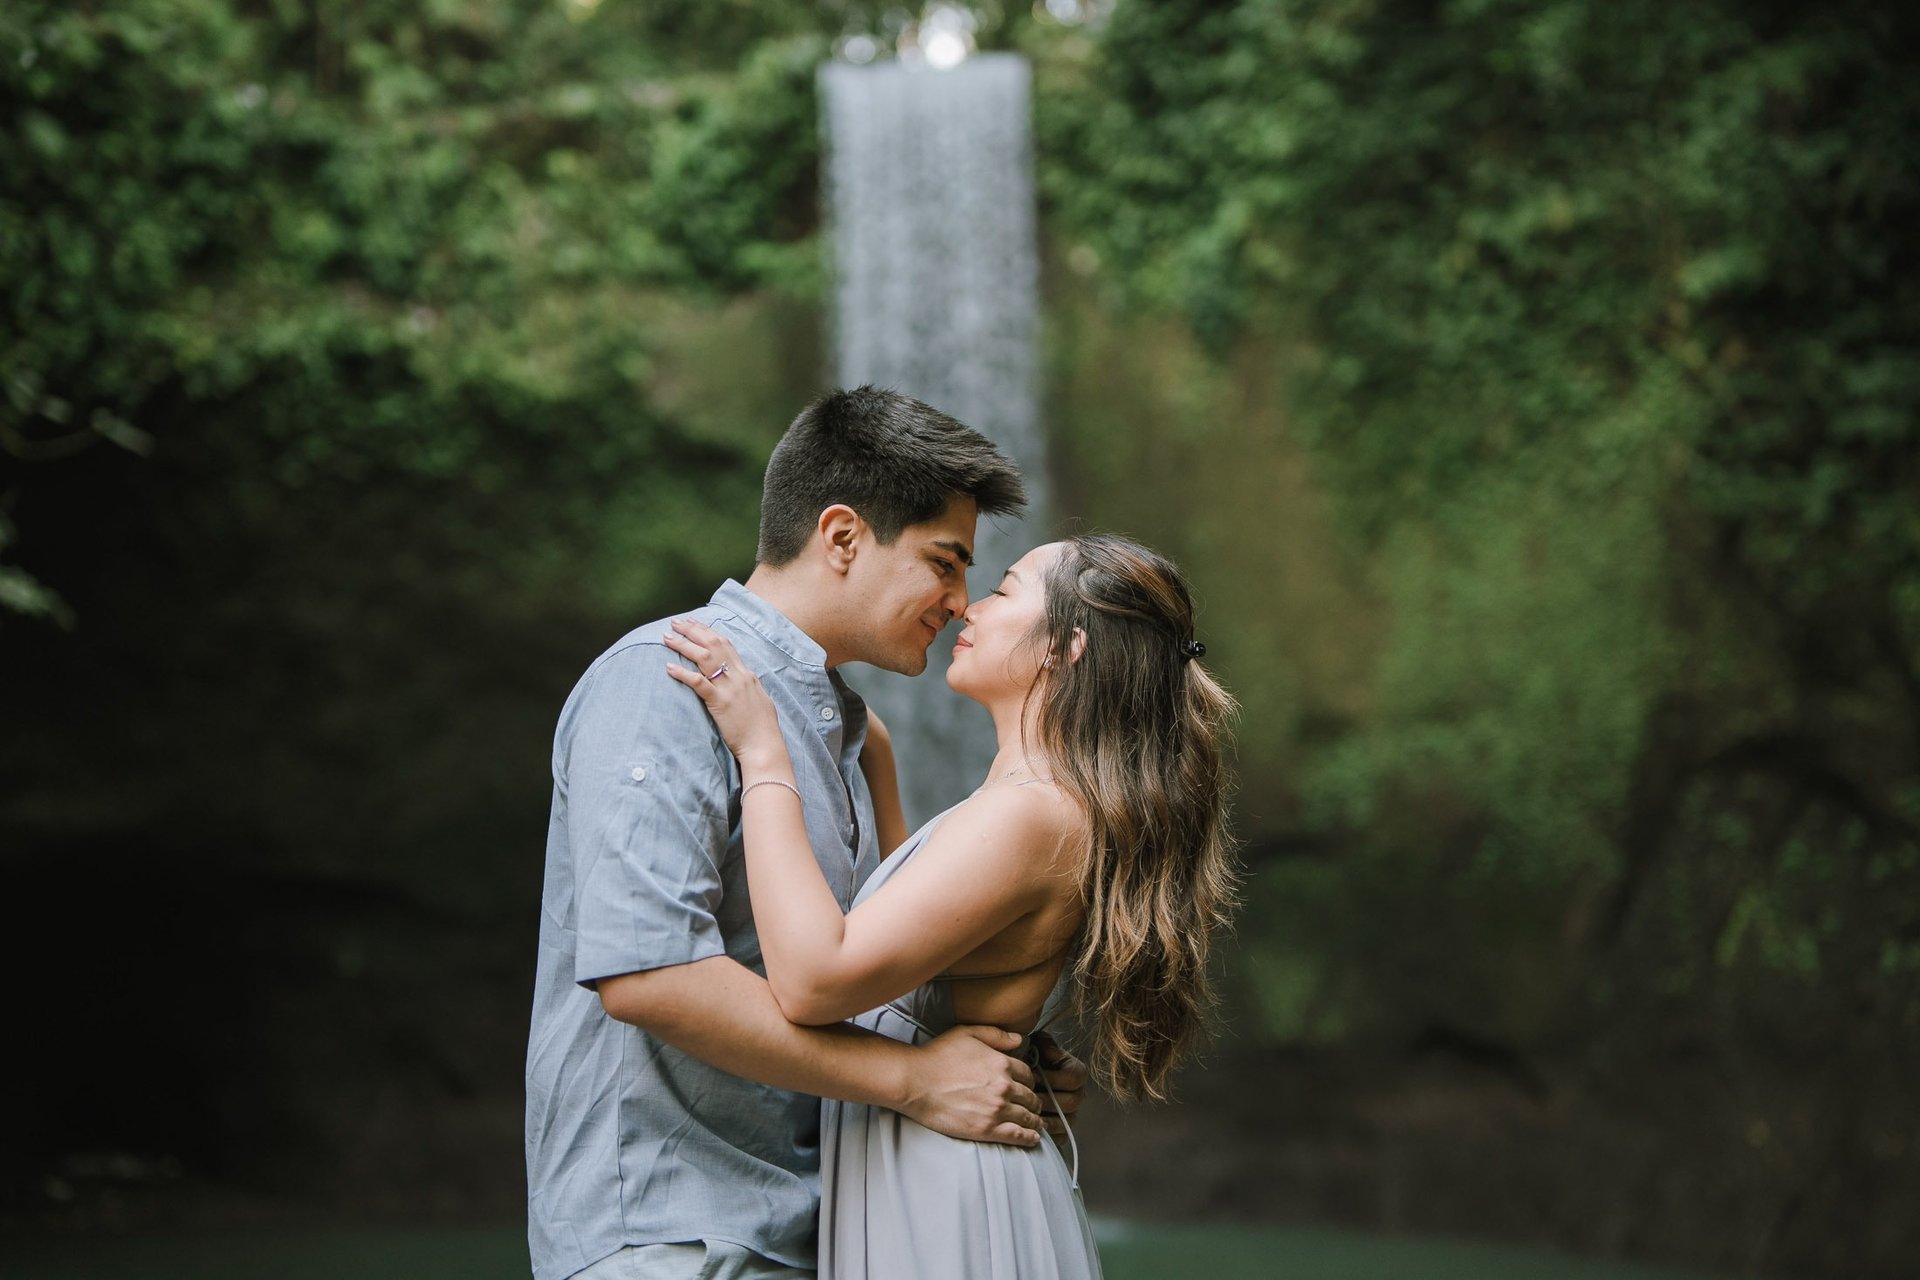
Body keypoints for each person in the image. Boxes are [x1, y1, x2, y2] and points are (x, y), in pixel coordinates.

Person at [526, 387, 1090, 1280]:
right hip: (676, 1241)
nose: (960, 603)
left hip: (810, 1233)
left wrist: (996, 1049)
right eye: (945, 564)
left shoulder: (849, 733)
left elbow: (867, 979)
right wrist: (915, 1080)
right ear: (840, 537)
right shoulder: (666, 682)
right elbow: (648, 976)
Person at [663, 532, 1239, 1280]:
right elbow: (921, 936)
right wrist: (879, 759)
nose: (969, 604)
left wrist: (765, 757)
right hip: (936, 1162)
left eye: (1003, 589)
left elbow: (813, 979)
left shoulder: (1032, 814)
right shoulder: (1038, 802)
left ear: (1066, 646)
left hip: (943, 1181)